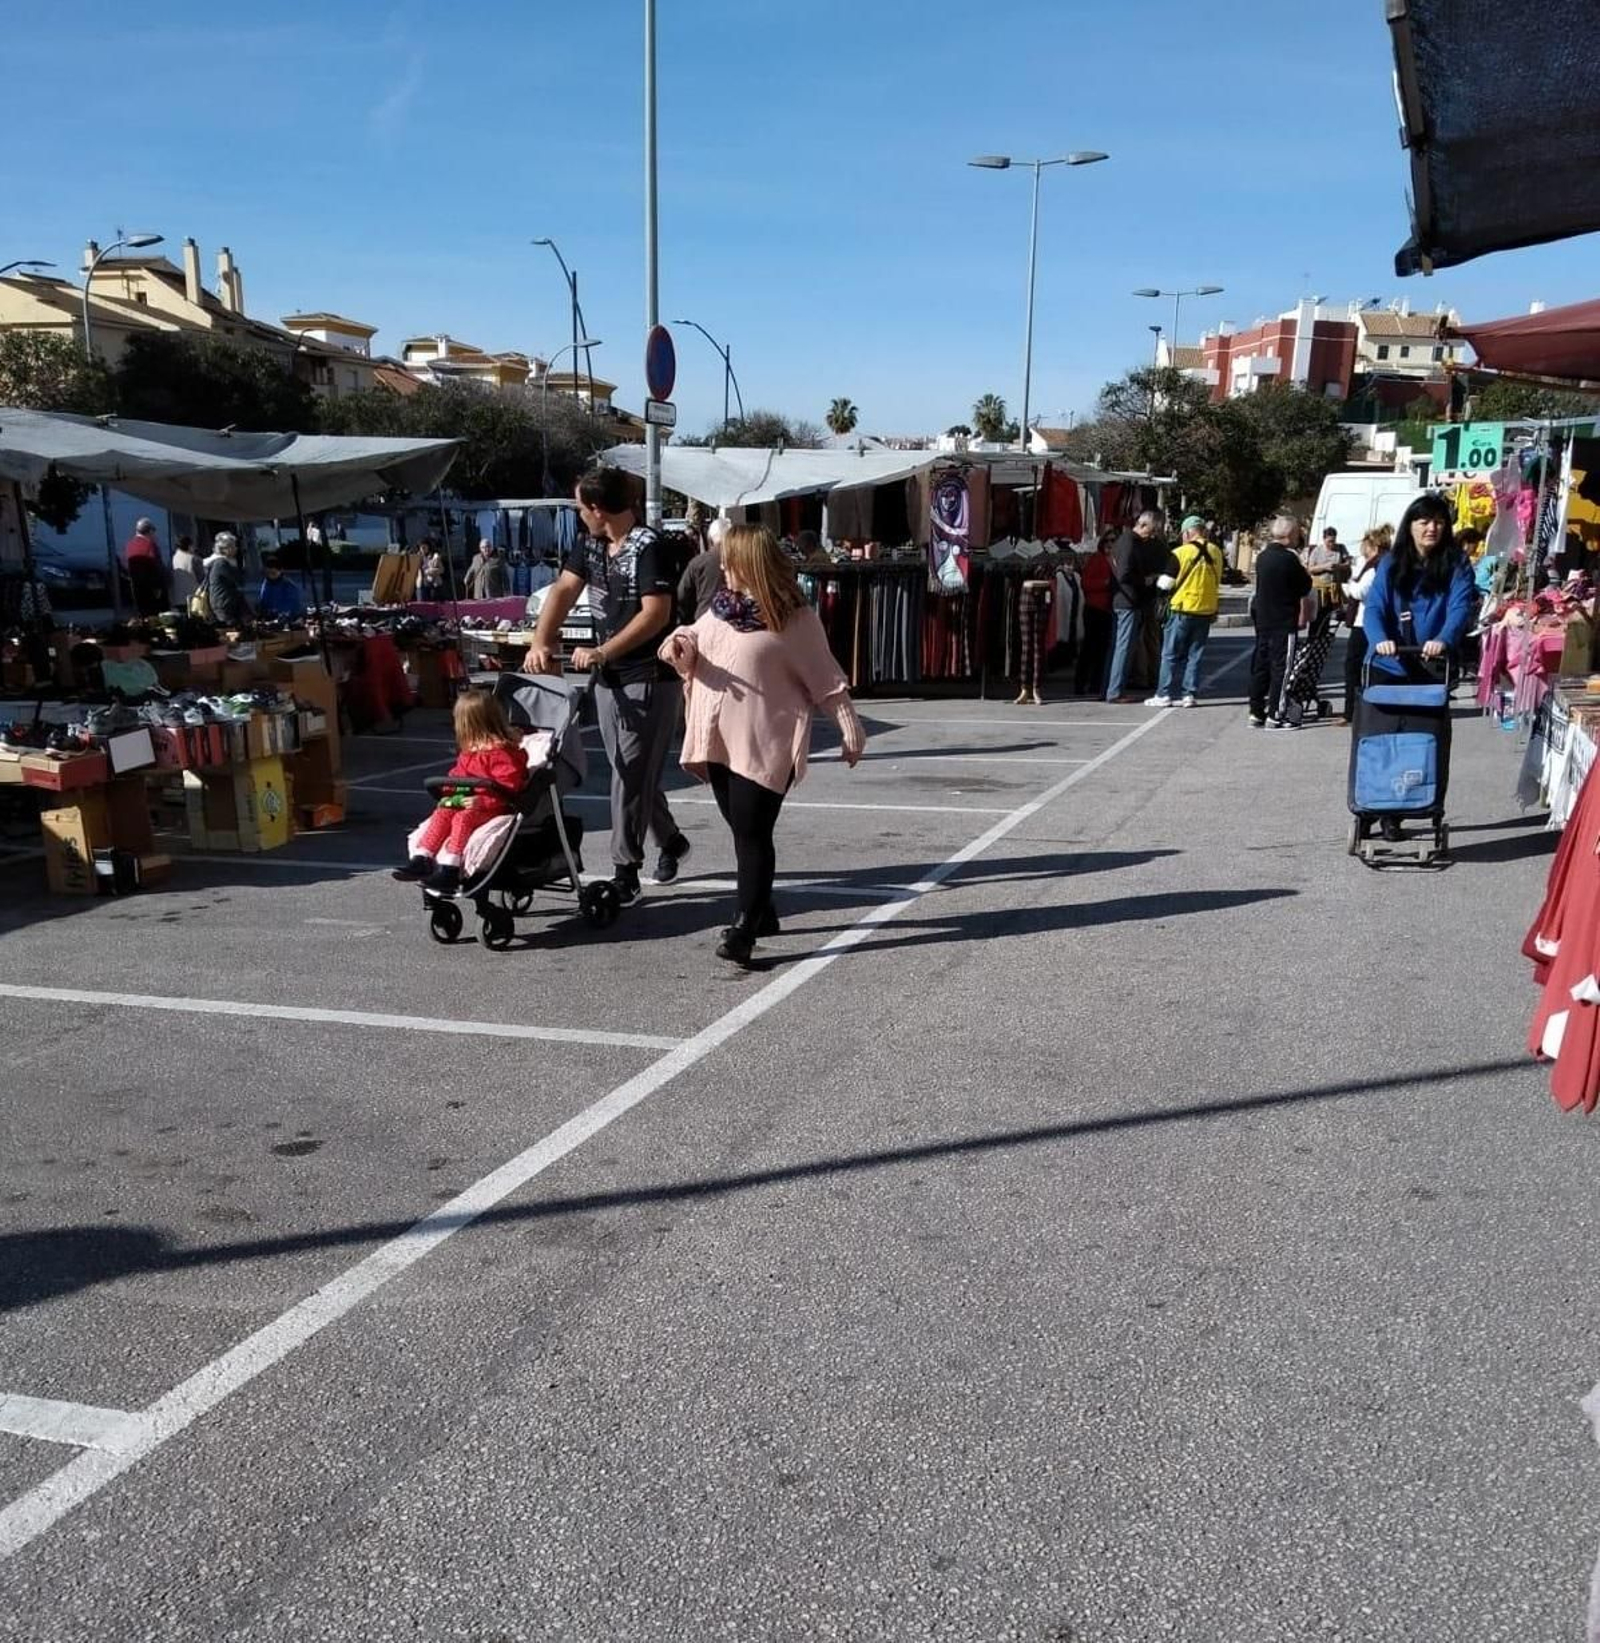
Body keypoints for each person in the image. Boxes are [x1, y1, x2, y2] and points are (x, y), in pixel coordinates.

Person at [659, 524, 866, 966]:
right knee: (741, 830)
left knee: (753, 834)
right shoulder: (723, 608)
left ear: (750, 563)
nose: (724, 568)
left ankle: (744, 929)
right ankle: (763, 909)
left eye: (730, 560)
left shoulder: (794, 617)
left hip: (764, 744)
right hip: (717, 740)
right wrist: (678, 646)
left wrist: (850, 725)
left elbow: (824, 677)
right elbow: (693, 636)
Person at [524, 464, 690, 903]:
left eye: (581, 508)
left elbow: (655, 614)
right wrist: (542, 640)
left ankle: (625, 868)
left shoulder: (650, 546)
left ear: (599, 509)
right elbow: (562, 589)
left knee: (631, 775)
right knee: (629, 771)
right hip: (609, 678)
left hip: (649, 676)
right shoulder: (592, 544)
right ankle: (670, 839)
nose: (579, 515)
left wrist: (604, 651)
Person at [1363, 494, 1476, 839]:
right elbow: (1374, 608)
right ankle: (1381, 807)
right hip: (1390, 663)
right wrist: (1380, 638)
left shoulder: (1456, 564)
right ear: (1409, 526)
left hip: (1431, 664)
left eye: (1439, 521)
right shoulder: (1392, 562)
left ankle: (1422, 803)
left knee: (1426, 740)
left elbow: (1460, 608)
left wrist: (1443, 638)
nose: (1432, 528)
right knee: (1385, 738)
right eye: (1424, 521)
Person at [394, 689, 529, 894]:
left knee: (462, 819)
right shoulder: (471, 752)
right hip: (469, 800)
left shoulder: (502, 753)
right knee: (443, 811)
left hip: (493, 806)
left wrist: (482, 801)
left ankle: (451, 866)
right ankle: (423, 857)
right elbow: (458, 774)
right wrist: (447, 790)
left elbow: (508, 786)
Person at [1148, 515, 1224, 708]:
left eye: (1183, 533)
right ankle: (1188, 695)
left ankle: (1163, 693)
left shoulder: (1180, 553)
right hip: (1206, 609)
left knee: (1170, 654)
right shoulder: (1216, 552)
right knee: (1195, 655)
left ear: (1188, 532)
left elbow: (1165, 584)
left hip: (1182, 608)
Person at [1247, 515, 1313, 728]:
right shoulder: (1288, 559)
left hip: (1264, 620)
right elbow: (1304, 585)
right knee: (1282, 669)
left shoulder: (1263, 556)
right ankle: (1277, 714)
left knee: (1261, 666)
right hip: (1283, 621)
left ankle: (1256, 711)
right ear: (1290, 534)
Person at [1104, 510, 1163, 703]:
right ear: (1143, 525)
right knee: (1123, 648)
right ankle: (1114, 691)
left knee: (1119, 647)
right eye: (1152, 531)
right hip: (1128, 602)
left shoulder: (1128, 541)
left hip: (1124, 601)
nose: (1152, 536)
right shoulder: (1129, 542)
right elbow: (1124, 574)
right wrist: (1146, 580)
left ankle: (1109, 688)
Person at [1337, 528, 1388, 725]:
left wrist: (1347, 583)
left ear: (1373, 546)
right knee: (1361, 667)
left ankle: (1352, 711)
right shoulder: (1378, 564)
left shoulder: (1376, 566)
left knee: (1354, 668)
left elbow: (1360, 592)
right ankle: (1357, 709)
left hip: (1364, 623)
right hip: (1367, 622)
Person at [1075, 528, 1117, 695]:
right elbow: (1086, 583)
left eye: (1114, 541)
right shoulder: (1097, 559)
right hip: (1095, 608)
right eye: (1107, 541)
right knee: (1089, 648)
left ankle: (1097, 684)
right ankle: (1080, 683)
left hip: (1109, 609)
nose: (1110, 544)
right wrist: (1105, 583)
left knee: (1103, 650)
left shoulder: (1117, 560)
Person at [677, 516, 729, 625]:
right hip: (734, 622)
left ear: (710, 539)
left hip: (703, 619)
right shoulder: (743, 559)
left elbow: (682, 595)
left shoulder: (698, 562)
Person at [202, 532, 250, 629]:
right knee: (229, 631)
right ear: (225, 549)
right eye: (233, 546)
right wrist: (237, 564)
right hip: (223, 604)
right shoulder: (222, 563)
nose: (236, 549)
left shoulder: (217, 562)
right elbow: (238, 580)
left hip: (221, 602)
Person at [123, 517, 167, 616]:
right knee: (155, 615)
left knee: (142, 614)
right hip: (151, 588)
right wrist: (159, 586)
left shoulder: (129, 545)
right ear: (150, 531)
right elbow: (156, 566)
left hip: (135, 586)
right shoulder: (150, 545)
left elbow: (126, 565)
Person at [257, 553, 307, 624]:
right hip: (270, 620)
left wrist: (276, 612)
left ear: (280, 571)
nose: (271, 576)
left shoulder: (288, 585)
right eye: (268, 573)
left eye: (273, 573)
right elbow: (263, 601)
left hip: (288, 620)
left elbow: (292, 606)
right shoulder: (266, 584)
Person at [170, 535, 201, 608]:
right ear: (190, 546)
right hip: (194, 598)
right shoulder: (194, 559)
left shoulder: (172, 559)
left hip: (177, 598)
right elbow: (202, 579)